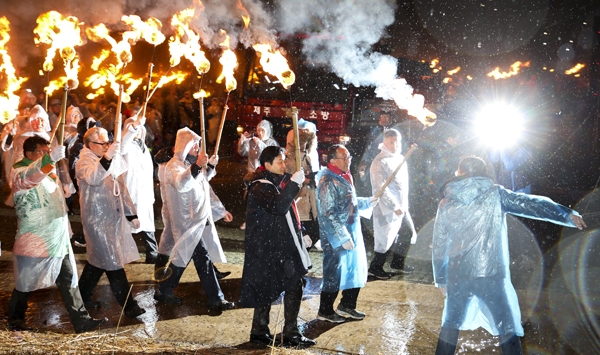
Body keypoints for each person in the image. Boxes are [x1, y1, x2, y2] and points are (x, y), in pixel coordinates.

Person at [432, 156, 587, 355]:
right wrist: (564, 214)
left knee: (451, 325)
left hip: (458, 274)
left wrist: (441, 279)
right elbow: (529, 204)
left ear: (459, 172)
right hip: (490, 274)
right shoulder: (495, 193)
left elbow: (439, 244)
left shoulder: (447, 201)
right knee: (506, 326)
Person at [8, 136, 107, 332]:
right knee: (25, 282)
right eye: (42, 152)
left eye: (47, 151)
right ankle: (15, 318)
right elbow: (29, 178)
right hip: (35, 238)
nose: (46, 155)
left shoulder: (48, 170)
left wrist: (65, 188)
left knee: (69, 279)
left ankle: (81, 320)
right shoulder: (19, 171)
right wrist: (49, 159)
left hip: (57, 237)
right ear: (29, 154)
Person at [239, 146, 316, 347]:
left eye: (284, 160)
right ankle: (287, 334)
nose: (284, 165)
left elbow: (286, 213)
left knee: (281, 285)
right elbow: (278, 206)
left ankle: (262, 331)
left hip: (276, 246)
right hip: (269, 248)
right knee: (284, 286)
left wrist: (302, 236)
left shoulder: (274, 183)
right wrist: (293, 185)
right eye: (280, 162)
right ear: (267, 165)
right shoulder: (260, 186)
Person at [154, 127, 234, 313]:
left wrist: (210, 168)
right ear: (184, 147)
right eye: (194, 145)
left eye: (198, 145)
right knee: (202, 259)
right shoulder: (173, 166)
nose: (198, 148)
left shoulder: (187, 165)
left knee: (182, 257)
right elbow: (182, 183)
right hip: (186, 223)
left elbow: (201, 182)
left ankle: (165, 289)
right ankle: (216, 299)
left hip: (195, 221)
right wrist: (197, 166)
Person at [75, 127, 146, 319]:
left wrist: (132, 215)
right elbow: (93, 177)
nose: (107, 146)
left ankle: (80, 297)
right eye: (102, 143)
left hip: (112, 219)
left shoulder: (109, 160)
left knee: (97, 262)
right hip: (96, 222)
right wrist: (107, 158)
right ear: (90, 145)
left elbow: (121, 188)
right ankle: (129, 306)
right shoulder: (83, 162)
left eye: (108, 143)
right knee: (113, 263)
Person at [315, 144, 378, 323]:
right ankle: (325, 310)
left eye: (349, 156)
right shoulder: (327, 181)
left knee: (353, 269)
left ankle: (347, 305)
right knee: (334, 272)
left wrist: (366, 202)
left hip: (351, 230)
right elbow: (328, 213)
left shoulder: (343, 176)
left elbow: (348, 201)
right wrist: (341, 236)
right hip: (336, 236)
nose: (349, 160)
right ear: (333, 160)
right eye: (345, 157)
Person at [368, 129, 418, 279]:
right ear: (384, 142)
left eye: (397, 142)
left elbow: (402, 186)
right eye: (391, 142)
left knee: (407, 233)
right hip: (386, 208)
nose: (395, 145)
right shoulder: (379, 162)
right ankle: (375, 268)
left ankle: (397, 263)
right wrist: (394, 206)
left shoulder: (400, 158)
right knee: (385, 239)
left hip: (402, 207)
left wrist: (403, 205)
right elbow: (380, 187)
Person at [121, 113, 159, 263]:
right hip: (131, 192)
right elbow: (123, 143)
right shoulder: (124, 146)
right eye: (133, 128)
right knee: (128, 225)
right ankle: (122, 254)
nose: (137, 130)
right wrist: (134, 125)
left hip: (145, 193)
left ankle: (152, 252)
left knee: (147, 223)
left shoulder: (144, 147)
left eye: (139, 128)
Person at [284, 120, 321, 249]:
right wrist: (301, 179)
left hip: (310, 201)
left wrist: (313, 178)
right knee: (302, 234)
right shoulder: (290, 158)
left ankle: (301, 259)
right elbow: (288, 177)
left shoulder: (309, 155)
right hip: (299, 202)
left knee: (314, 233)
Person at [238, 119, 279, 230]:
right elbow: (243, 152)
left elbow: (268, 155)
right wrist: (243, 141)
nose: (260, 133)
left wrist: (259, 143)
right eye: (259, 130)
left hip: (265, 176)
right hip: (252, 174)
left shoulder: (271, 143)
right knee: (250, 198)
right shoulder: (252, 141)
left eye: (263, 130)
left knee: (264, 198)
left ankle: (264, 221)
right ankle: (249, 220)